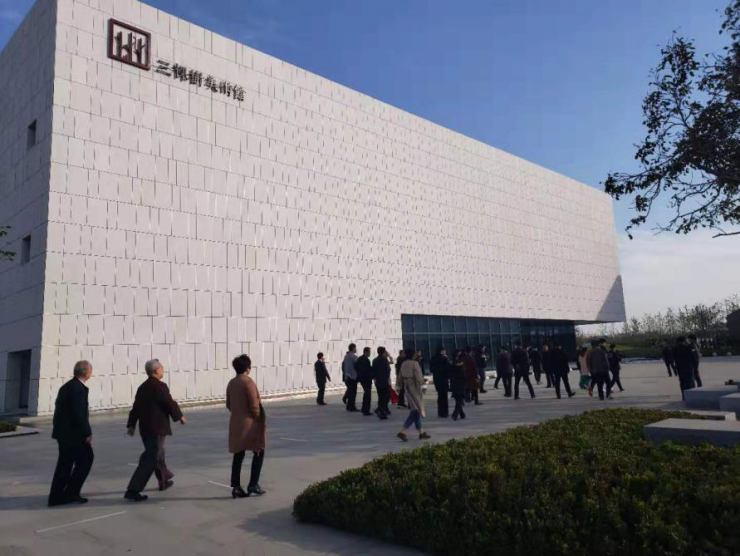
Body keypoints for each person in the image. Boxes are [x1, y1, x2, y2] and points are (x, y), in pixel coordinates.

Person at [124, 359, 185, 502]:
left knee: (158, 454)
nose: (163, 370)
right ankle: (133, 490)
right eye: (162, 368)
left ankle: (163, 480)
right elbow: (169, 402)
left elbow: (136, 407)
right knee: (150, 458)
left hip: (145, 428)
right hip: (156, 428)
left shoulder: (142, 387)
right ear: (157, 371)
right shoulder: (159, 386)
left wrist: (131, 425)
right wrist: (179, 416)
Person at [48, 360, 95, 507]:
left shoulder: (68, 386)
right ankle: (70, 493)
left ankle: (58, 495)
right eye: (90, 370)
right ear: (86, 373)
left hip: (64, 433)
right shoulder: (78, 389)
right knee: (85, 459)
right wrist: (87, 432)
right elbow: (79, 413)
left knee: (65, 464)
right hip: (73, 434)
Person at [226, 354, 267, 498]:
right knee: (259, 451)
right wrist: (257, 418)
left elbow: (228, 404)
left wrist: (238, 413)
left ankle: (236, 486)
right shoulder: (248, 382)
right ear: (247, 368)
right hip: (250, 425)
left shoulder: (231, 383)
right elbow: (255, 405)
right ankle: (253, 484)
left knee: (238, 454)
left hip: (236, 423)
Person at [396, 348, 430, 441]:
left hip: (407, 388)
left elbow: (399, 376)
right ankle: (403, 431)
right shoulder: (415, 363)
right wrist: (423, 384)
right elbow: (418, 376)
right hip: (414, 388)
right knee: (416, 410)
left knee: (415, 410)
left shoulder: (403, 363)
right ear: (412, 355)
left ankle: (421, 432)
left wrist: (398, 387)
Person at [430, 347, 451, 417]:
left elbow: (431, 369)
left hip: (437, 380)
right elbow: (448, 368)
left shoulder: (433, 358)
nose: (445, 352)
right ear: (441, 351)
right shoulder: (444, 358)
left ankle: (440, 412)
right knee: (444, 396)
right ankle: (445, 412)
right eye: (444, 351)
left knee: (440, 396)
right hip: (443, 379)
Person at [372, 347, 392, 419]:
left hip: (378, 381)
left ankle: (381, 409)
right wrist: (389, 356)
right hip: (384, 381)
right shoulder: (384, 360)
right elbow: (387, 370)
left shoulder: (375, 360)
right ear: (383, 352)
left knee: (381, 396)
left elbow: (373, 370)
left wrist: (374, 378)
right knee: (386, 396)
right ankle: (381, 411)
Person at [355, 347, 374, 416]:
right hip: (366, 379)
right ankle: (366, 410)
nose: (370, 353)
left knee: (366, 394)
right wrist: (371, 376)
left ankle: (364, 409)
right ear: (366, 352)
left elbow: (356, 366)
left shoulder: (359, 359)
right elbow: (367, 370)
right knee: (367, 395)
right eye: (369, 352)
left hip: (362, 379)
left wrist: (359, 374)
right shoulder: (365, 360)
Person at [450, 350, 467, 420]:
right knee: (459, 400)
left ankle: (462, 414)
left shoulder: (451, 363)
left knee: (458, 400)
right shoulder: (459, 364)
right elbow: (462, 374)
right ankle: (455, 414)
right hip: (459, 383)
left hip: (453, 383)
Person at [342, 344, 359, 412]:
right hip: (353, 376)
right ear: (353, 348)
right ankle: (352, 406)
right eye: (355, 348)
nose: (356, 349)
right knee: (353, 393)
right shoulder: (354, 357)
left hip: (347, 376)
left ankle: (349, 406)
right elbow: (357, 365)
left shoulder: (346, 356)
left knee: (350, 392)